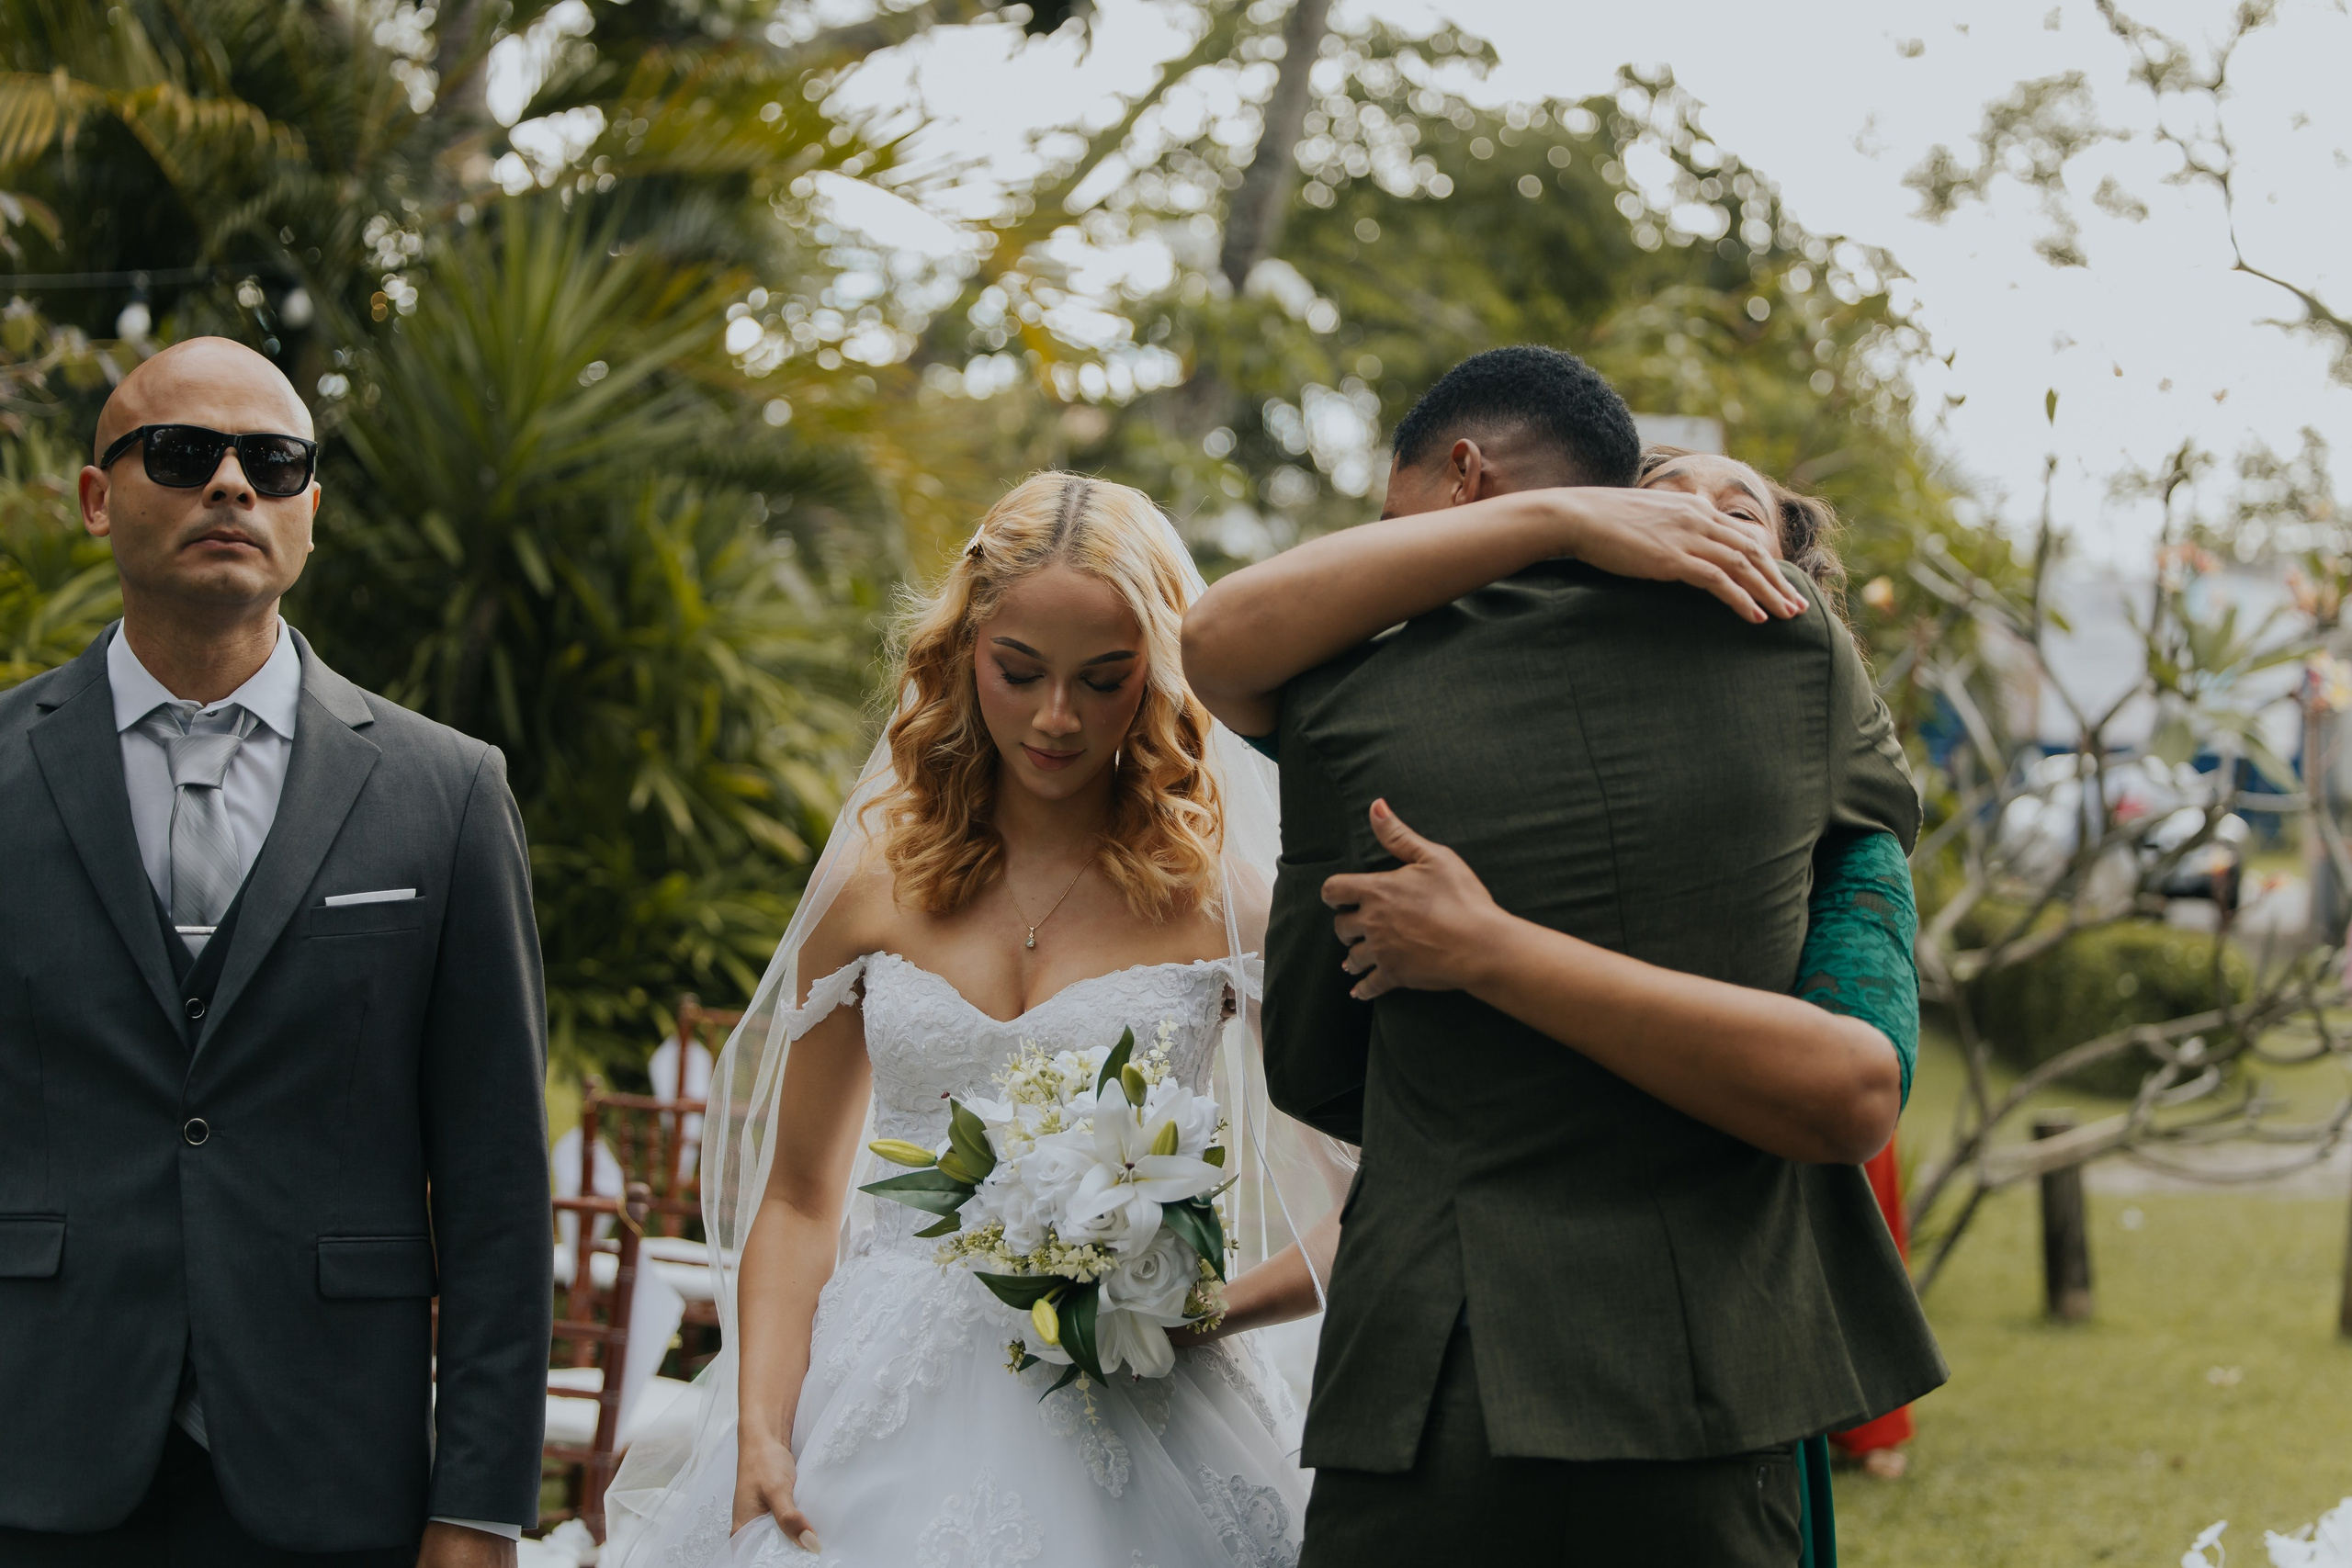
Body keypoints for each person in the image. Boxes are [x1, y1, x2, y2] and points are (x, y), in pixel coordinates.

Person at [1182, 344, 1945, 1567]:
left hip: (1430, 1388)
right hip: (1709, 1382)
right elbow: (1860, 1088)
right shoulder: (1815, 681)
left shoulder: (1343, 702)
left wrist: (1487, 952)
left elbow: (1322, 1070)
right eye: (1654, 491)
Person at [605, 473, 1340, 1567]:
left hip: (1141, 1411)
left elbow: (1371, 1191)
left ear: (1158, 679)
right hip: (870, 1397)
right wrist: (762, 1425)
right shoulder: (870, 889)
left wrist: (1193, 1308)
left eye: (1103, 680)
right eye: (1019, 672)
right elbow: (803, 1195)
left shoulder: (1222, 906)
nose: (1057, 718)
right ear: (962, 656)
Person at [0, 338, 551, 1565]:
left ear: (312, 508)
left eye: (276, 460)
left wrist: (481, 1500)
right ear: (97, 497)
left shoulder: (446, 792)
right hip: (34, 1453)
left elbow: (498, 1183)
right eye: (185, 453)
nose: (233, 485)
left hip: (334, 1470)